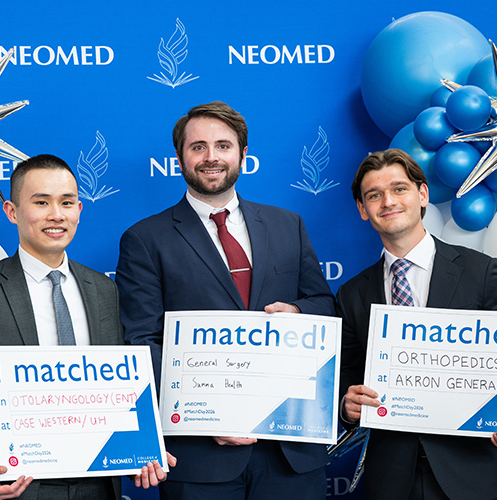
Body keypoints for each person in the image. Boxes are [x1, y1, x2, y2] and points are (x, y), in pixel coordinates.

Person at [116, 101, 336, 500]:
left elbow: (323, 304)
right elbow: (143, 342)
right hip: (201, 455)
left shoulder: (289, 225)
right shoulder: (145, 239)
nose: (211, 157)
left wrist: (299, 312)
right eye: (198, 147)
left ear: (243, 155)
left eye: (223, 145)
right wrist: (205, 415)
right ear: (180, 158)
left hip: (290, 453)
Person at [0, 154, 171, 500]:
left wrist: (144, 451)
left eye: (67, 202)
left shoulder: (104, 290)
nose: (56, 214)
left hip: (97, 487)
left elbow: (120, 387)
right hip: (14, 488)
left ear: (79, 209)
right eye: (41, 202)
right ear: (11, 211)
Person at [337, 148, 497, 500]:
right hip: (393, 478)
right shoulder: (351, 294)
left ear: (422, 194)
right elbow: (347, 375)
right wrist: (347, 405)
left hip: (472, 472)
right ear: (363, 210)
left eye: (399, 189)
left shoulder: (482, 272)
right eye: (374, 195)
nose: (388, 201)